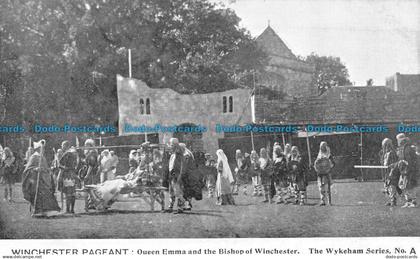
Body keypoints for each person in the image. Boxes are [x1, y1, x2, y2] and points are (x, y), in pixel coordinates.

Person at [22, 140, 60, 217]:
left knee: (47, 194)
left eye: (44, 148)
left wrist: (48, 170)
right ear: (38, 149)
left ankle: (48, 210)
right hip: (36, 180)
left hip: (44, 180)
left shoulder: (42, 157)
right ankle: (38, 211)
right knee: (38, 194)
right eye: (42, 148)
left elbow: (45, 168)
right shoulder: (34, 157)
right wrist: (35, 169)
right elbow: (27, 170)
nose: (44, 150)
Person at [396, 133, 418, 208]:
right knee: (404, 186)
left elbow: (411, 161)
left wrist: (408, 169)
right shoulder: (402, 148)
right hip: (404, 171)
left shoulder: (408, 148)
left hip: (408, 171)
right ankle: (408, 201)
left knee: (409, 186)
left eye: (398, 140)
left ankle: (413, 202)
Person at [166, 138, 187, 213]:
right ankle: (170, 207)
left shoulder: (179, 155)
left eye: (172, 144)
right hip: (172, 175)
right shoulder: (173, 154)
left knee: (178, 192)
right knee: (171, 192)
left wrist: (179, 176)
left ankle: (180, 207)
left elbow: (182, 167)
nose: (170, 146)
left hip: (177, 175)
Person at [57, 146, 80, 214]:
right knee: (72, 193)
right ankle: (72, 209)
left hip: (67, 175)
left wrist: (65, 168)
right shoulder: (75, 154)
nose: (62, 147)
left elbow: (60, 165)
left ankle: (68, 210)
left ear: (65, 146)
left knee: (68, 193)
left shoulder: (67, 153)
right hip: (73, 175)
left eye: (63, 145)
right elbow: (77, 165)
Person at [314, 141, 334, 206]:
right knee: (321, 187)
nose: (322, 147)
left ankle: (329, 201)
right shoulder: (319, 154)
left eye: (324, 146)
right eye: (321, 146)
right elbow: (316, 164)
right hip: (320, 174)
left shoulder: (329, 155)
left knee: (328, 188)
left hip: (327, 173)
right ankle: (323, 201)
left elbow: (333, 164)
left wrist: (329, 165)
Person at [381, 138, 400, 206]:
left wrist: (391, 171)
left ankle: (393, 200)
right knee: (386, 186)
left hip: (391, 172)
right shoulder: (384, 153)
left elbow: (394, 163)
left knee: (391, 186)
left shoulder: (392, 153)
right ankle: (390, 200)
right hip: (386, 172)